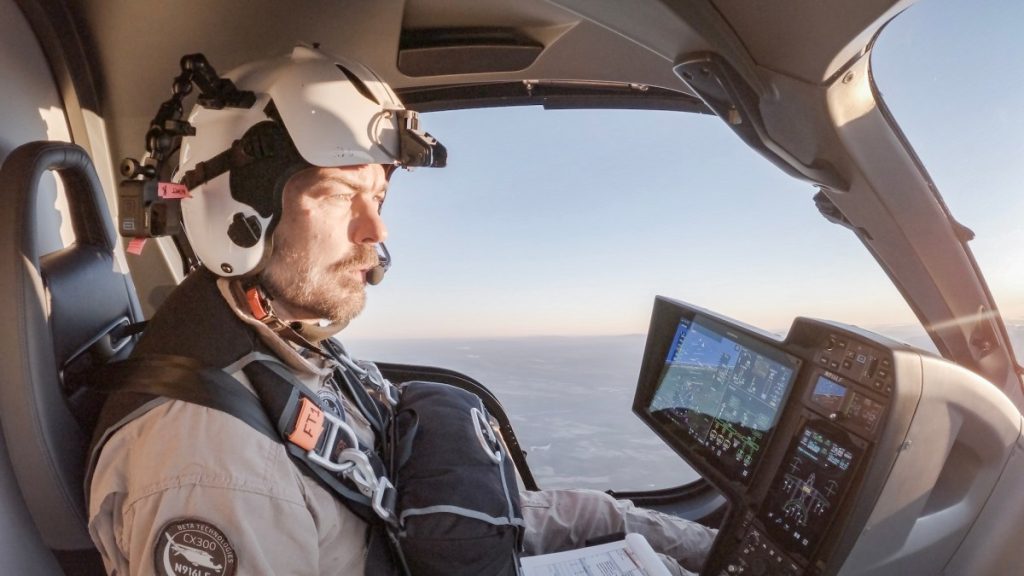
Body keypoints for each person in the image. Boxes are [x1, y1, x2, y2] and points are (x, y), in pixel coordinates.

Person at [87, 45, 716, 576]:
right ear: (235, 208)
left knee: (610, 518)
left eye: (379, 194)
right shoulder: (217, 471)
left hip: (407, 523)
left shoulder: (272, 332)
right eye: (339, 194)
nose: (376, 228)